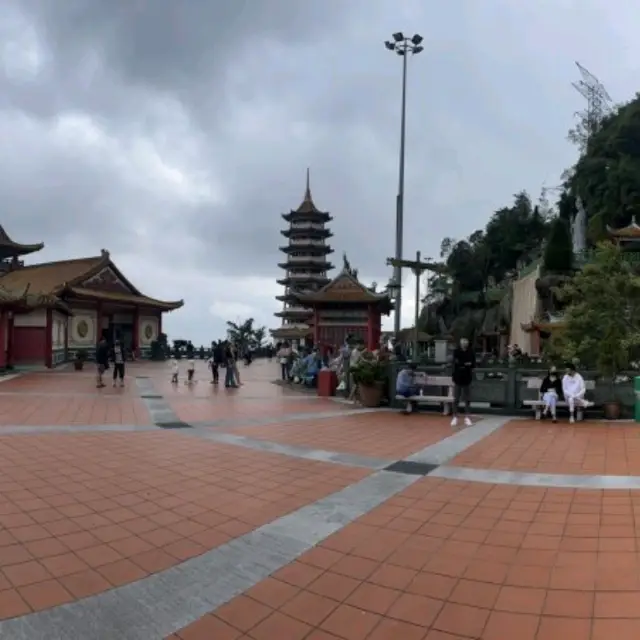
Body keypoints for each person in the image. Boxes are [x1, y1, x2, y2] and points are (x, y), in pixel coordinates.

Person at [451, 337, 475, 428]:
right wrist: (465, 364)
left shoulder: (471, 352)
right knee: (456, 398)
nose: (465, 342)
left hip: (467, 377)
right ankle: (455, 416)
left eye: (466, 340)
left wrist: (465, 364)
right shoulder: (456, 352)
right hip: (457, 377)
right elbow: (456, 362)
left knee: (467, 398)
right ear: (460, 342)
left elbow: (473, 364)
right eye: (463, 341)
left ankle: (467, 416)